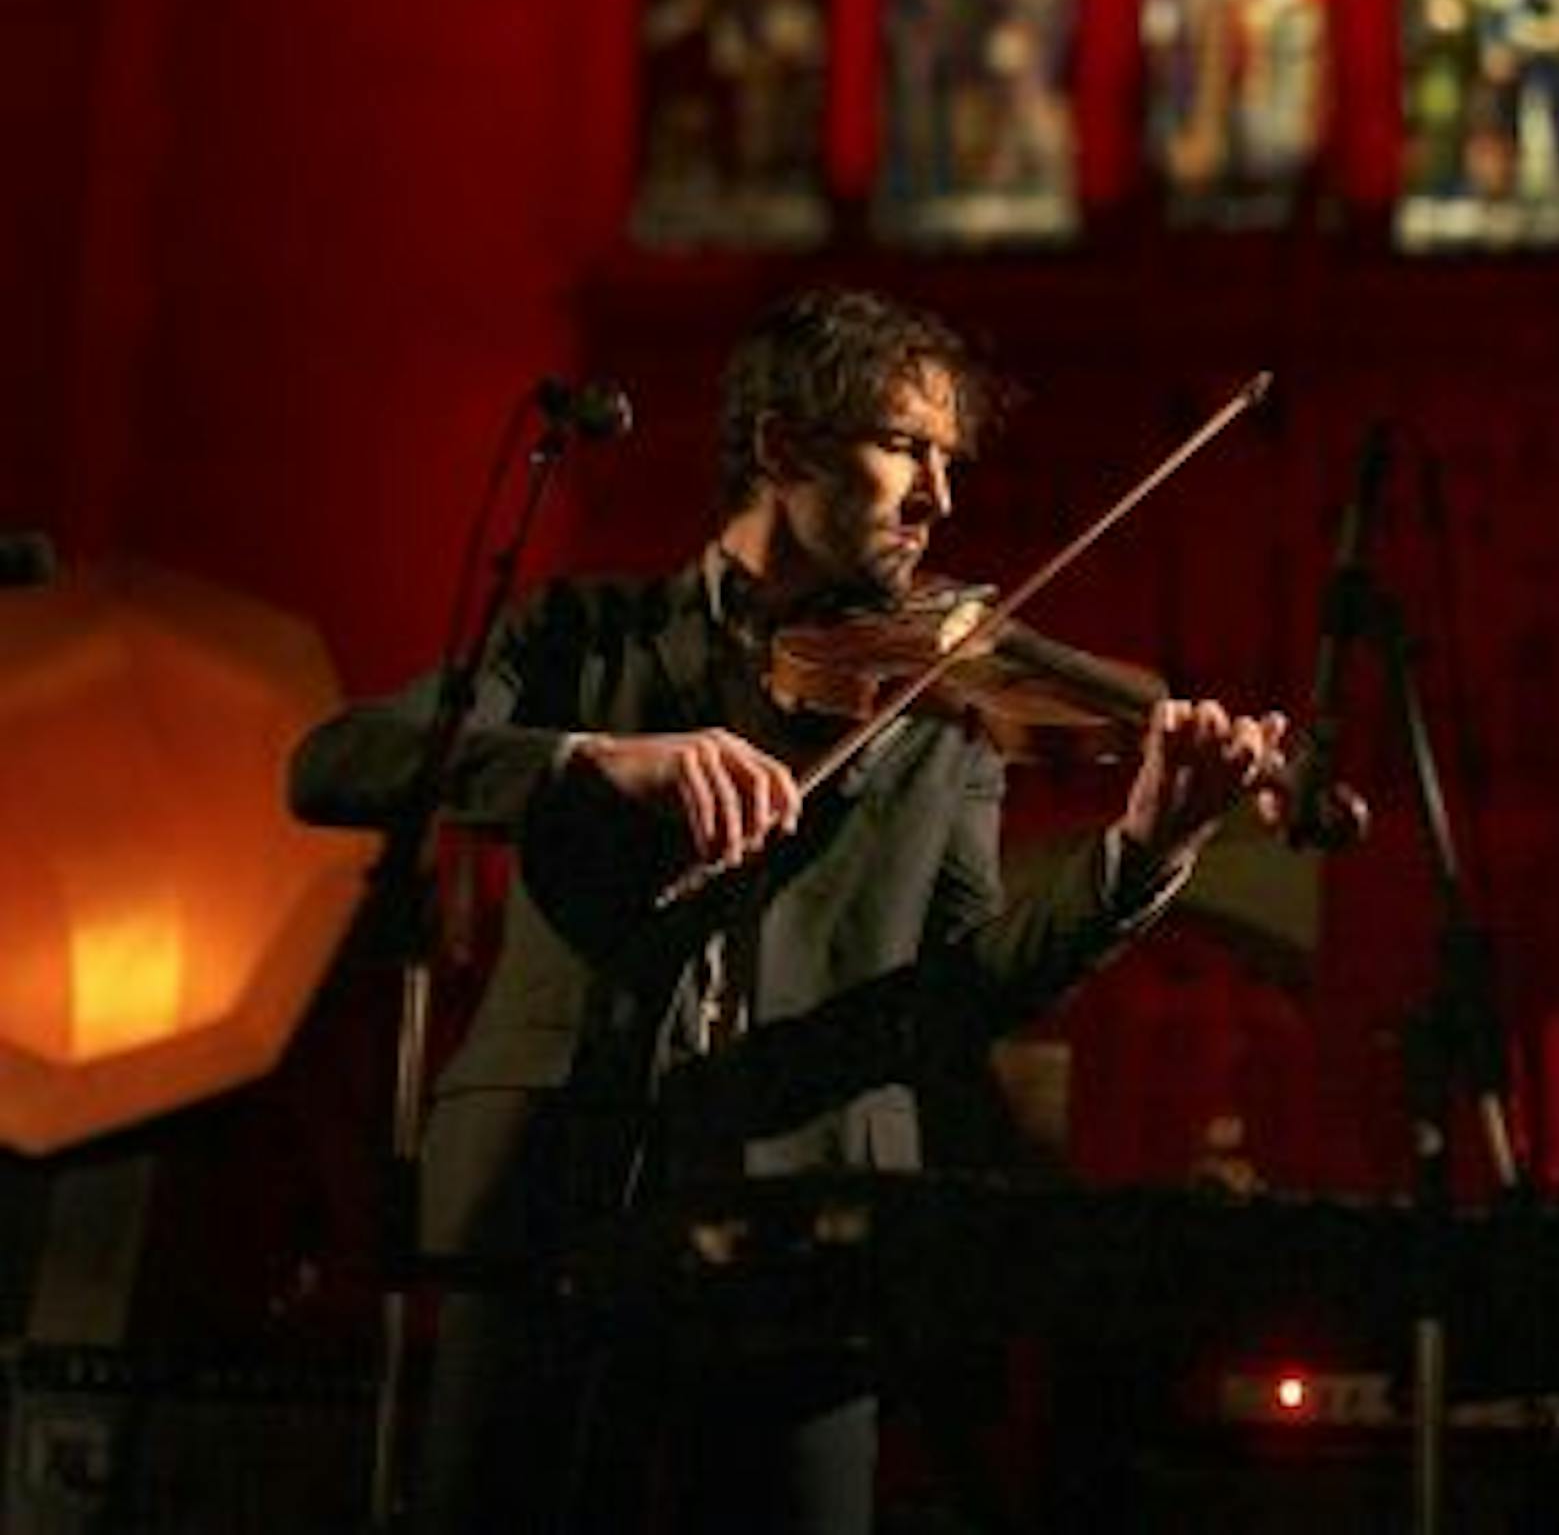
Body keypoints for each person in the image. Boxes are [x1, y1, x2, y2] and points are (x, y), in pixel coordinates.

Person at [288, 287, 1285, 1534]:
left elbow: (962, 989)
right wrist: (589, 757)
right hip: (549, 1199)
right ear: (781, 447)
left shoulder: (940, 706)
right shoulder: (581, 638)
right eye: (904, 446)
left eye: (949, 458)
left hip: (806, 1230)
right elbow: (332, 763)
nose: (942, 498)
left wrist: (1144, 850)